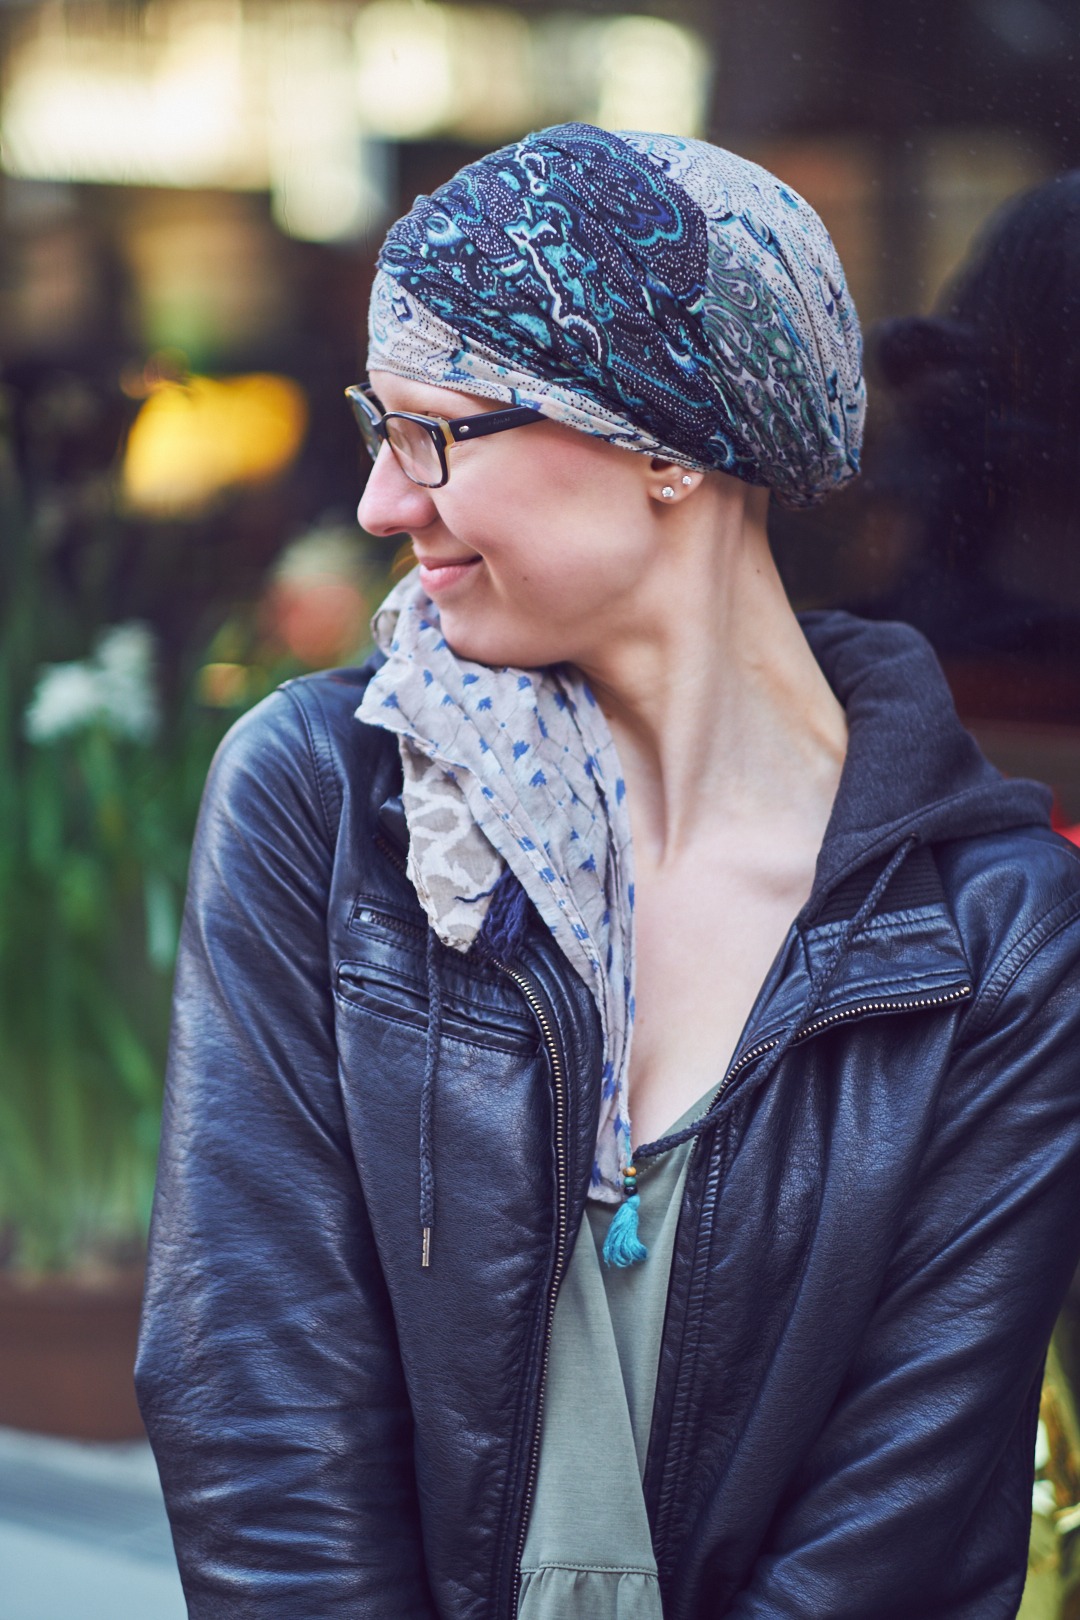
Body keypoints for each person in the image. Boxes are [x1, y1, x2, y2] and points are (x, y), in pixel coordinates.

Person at [135, 124, 1080, 1620]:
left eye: (433, 432)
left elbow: (896, 1538)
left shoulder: (994, 938)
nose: (385, 504)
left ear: (660, 446)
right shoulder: (335, 805)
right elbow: (257, 1401)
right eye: (377, 427)